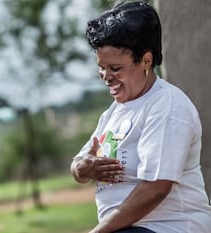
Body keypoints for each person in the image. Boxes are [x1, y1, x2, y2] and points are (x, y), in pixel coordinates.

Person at [69, 2, 211, 233]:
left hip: (167, 227)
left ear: (146, 60)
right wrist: (85, 167)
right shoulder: (114, 112)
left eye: (115, 68)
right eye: (102, 67)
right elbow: (77, 164)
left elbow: (156, 187)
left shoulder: (166, 106)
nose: (106, 77)